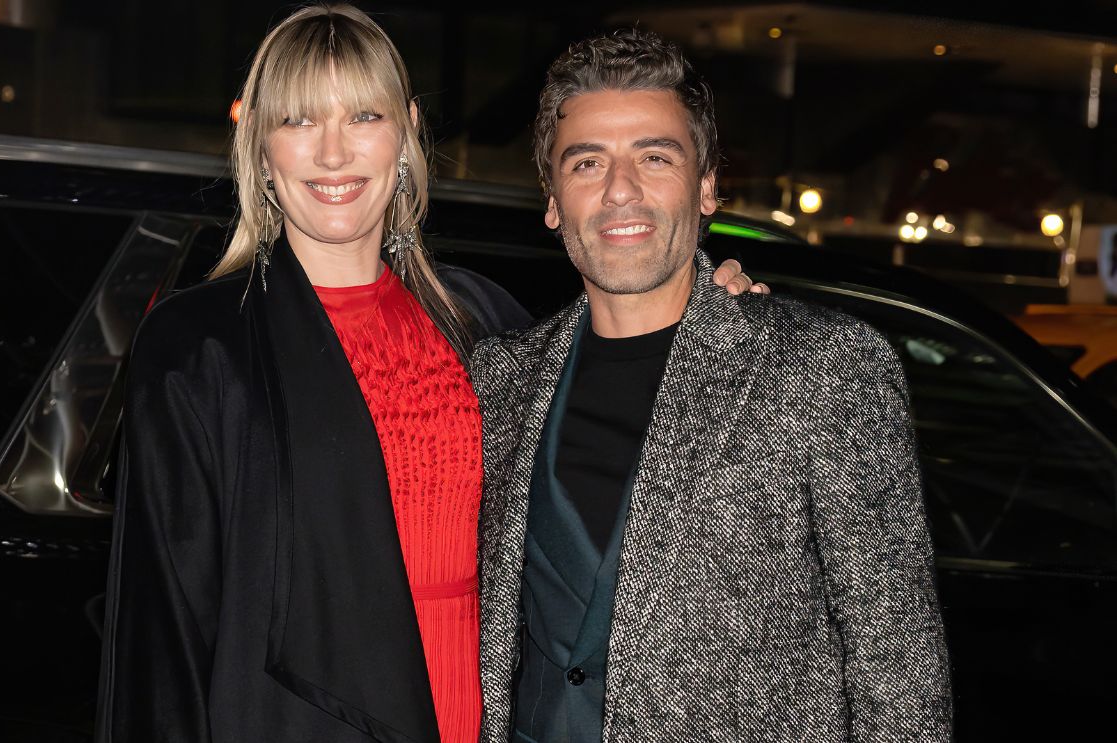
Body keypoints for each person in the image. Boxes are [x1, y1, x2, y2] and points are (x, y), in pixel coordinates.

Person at [94, 6, 759, 742]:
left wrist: (704, 318)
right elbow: (162, 635)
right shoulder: (201, 345)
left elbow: (613, 440)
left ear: (406, 131)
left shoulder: (481, 319)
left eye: (364, 115)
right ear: (258, 143)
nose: (334, 152)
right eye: (299, 121)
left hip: (486, 714)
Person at [472, 28, 952, 742]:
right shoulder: (495, 382)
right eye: (586, 163)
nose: (619, 191)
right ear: (551, 199)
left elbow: (897, 668)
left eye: (654, 157)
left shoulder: (823, 369)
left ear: (705, 187)